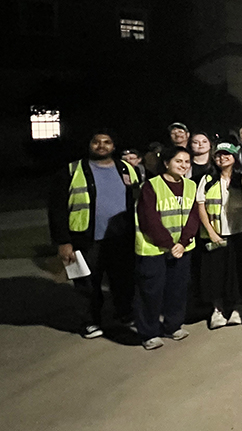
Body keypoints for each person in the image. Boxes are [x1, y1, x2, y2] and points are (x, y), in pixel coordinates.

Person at [49, 130, 140, 339]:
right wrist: (63, 242)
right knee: (87, 283)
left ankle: (124, 312)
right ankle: (90, 321)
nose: (101, 146)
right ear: (89, 145)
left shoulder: (126, 168)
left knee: (123, 280)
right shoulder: (71, 171)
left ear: (113, 146)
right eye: (96, 142)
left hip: (121, 238)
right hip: (85, 239)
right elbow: (57, 209)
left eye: (107, 142)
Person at [134, 146, 201, 350]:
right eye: (178, 161)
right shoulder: (151, 186)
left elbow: (194, 216)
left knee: (177, 289)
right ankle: (149, 332)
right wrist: (170, 244)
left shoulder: (191, 185)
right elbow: (149, 220)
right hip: (154, 249)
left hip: (182, 248)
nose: (183, 165)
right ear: (166, 163)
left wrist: (183, 242)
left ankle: (173, 326)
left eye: (187, 162)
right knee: (151, 292)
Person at [196, 142, 242, 330]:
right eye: (219, 155)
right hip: (215, 235)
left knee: (238, 273)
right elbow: (201, 206)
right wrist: (211, 232)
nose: (222, 158)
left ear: (235, 157)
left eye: (227, 154)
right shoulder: (207, 179)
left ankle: (237, 307)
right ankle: (217, 310)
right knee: (215, 275)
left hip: (240, 233)